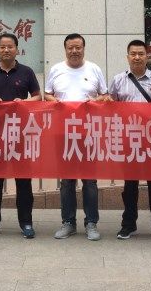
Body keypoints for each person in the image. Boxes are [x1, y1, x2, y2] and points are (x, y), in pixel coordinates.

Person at [44, 33, 110, 241]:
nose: (74, 51)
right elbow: (47, 94)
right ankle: (68, 222)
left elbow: (105, 96)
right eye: (70, 48)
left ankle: (91, 223)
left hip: (88, 132)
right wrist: (54, 101)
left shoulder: (94, 69)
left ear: (83, 48)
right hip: (63, 132)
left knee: (89, 180)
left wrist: (96, 101)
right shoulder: (56, 69)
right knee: (66, 180)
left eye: (78, 47)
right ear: (65, 49)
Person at [0, 33, 41, 240]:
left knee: (23, 181)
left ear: (17, 49)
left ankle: (26, 222)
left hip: (21, 133)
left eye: (10, 46)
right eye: (2, 47)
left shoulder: (27, 72)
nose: (6, 50)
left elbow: (37, 96)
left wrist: (23, 103)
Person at [108, 39, 151, 241]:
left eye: (141, 54)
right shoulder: (118, 80)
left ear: (147, 56)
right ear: (127, 57)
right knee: (130, 185)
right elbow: (110, 106)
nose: (137, 57)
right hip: (129, 139)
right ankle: (128, 224)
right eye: (133, 54)